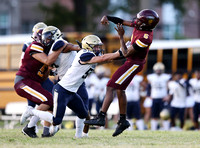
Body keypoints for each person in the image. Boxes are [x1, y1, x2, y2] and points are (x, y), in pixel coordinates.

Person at [19, 34, 122, 137]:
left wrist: (124, 52)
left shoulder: (90, 54)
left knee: (83, 114)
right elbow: (103, 58)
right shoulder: (85, 55)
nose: (98, 49)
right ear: (88, 46)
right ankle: (31, 111)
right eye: (96, 46)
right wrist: (119, 52)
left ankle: (79, 137)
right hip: (62, 90)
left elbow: (107, 58)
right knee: (57, 120)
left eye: (98, 46)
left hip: (72, 92)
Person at [84, 9, 159, 137]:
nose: (136, 21)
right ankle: (123, 121)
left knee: (110, 86)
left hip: (133, 63)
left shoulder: (145, 38)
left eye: (139, 20)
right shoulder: (141, 25)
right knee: (120, 90)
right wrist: (107, 17)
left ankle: (101, 117)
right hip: (132, 61)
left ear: (144, 24)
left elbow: (125, 53)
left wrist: (120, 36)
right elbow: (123, 21)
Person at [14, 26, 64, 138]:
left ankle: (44, 131)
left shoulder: (46, 50)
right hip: (23, 82)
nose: (47, 40)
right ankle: (30, 121)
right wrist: (60, 48)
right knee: (48, 99)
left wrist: (50, 69)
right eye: (46, 38)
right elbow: (47, 60)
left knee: (52, 104)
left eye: (49, 38)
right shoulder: (35, 45)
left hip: (33, 82)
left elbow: (44, 76)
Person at [146, 62, 171, 130]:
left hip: (163, 98)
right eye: (157, 70)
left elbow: (170, 87)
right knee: (154, 115)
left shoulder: (166, 77)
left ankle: (166, 129)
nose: (158, 71)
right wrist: (149, 95)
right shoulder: (151, 77)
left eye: (160, 70)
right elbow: (148, 87)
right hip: (154, 98)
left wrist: (168, 96)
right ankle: (153, 129)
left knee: (165, 114)